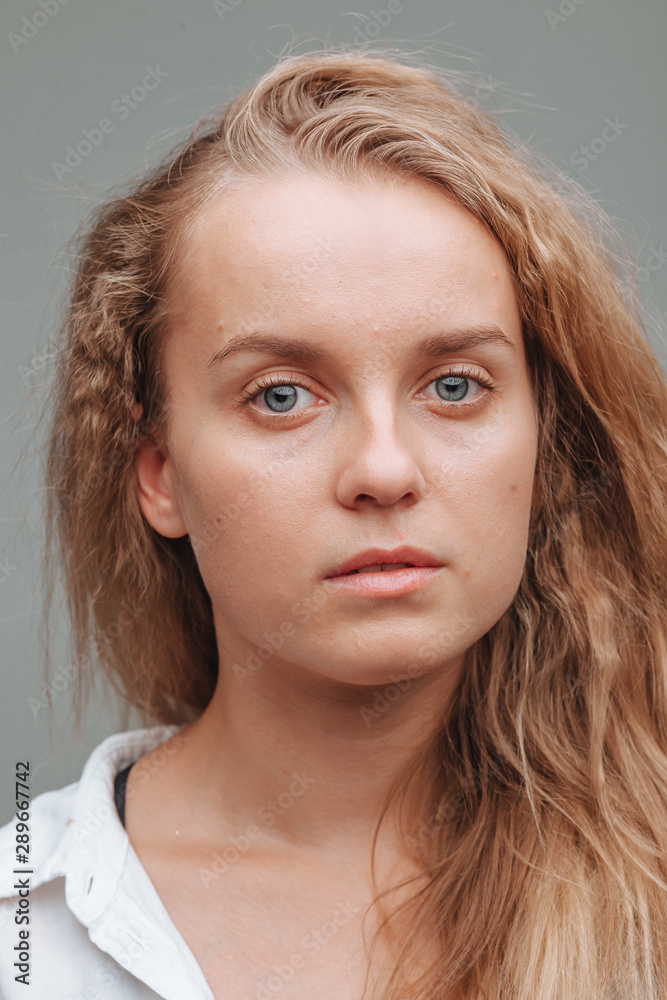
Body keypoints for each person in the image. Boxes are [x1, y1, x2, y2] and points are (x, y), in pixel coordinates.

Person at [1, 42, 666, 1000]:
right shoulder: (23, 932)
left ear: (540, 446)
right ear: (159, 475)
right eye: (281, 397)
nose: (385, 470)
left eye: (452, 385)